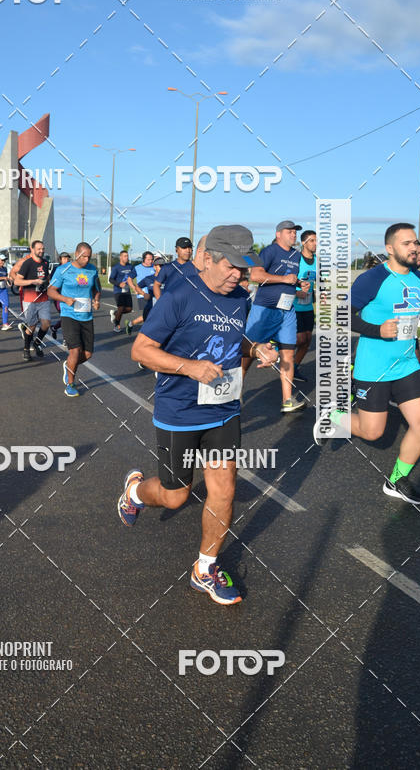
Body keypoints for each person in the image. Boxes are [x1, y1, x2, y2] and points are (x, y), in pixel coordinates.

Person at [119, 225, 277, 605]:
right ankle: (135, 492)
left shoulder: (239, 298)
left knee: (224, 490)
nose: (238, 275)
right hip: (180, 413)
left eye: (243, 268)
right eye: (231, 266)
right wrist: (189, 367)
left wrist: (255, 349)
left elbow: (235, 337)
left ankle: (204, 569)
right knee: (176, 497)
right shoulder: (178, 297)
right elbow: (141, 350)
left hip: (224, 410)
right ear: (206, 259)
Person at [317, 223, 420, 504]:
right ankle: (333, 416)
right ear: (390, 248)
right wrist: (378, 330)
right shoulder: (373, 279)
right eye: (407, 243)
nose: (415, 248)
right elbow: (340, 314)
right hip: (374, 367)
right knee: (373, 432)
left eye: (416, 242)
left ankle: (396, 480)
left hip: (407, 365)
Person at [242, 221, 310, 412]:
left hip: (287, 310)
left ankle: (287, 400)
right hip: (265, 309)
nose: (293, 235)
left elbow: (289, 279)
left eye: (295, 232)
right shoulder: (269, 251)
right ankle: (235, 391)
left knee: (288, 353)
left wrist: (299, 284)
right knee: (247, 352)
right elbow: (256, 276)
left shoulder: (296, 255)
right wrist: (284, 279)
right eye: (289, 232)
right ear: (278, 234)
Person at [47, 242, 101, 396]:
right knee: (75, 351)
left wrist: (96, 300)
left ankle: (69, 365)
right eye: (83, 256)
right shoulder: (63, 270)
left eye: (89, 257)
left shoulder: (92, 269)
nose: (86, 259)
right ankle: (70, 384)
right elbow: (50, 291)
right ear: (76, 254)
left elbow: (96, 289)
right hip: (69, 314)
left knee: (88, 354)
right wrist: (64, 299)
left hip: (86, 315)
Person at [11, 240, 51, 362]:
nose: (41, 251)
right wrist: (33, 282)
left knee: (46, 324)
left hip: (43, 298)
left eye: (43, 249)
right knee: (32, 326)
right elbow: (17, 281)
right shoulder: (27, 263)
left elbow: (47, 277)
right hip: (30, 299)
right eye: (39, 249)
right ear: (32, 249)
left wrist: (47, 283)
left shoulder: (45, 262)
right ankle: (26, 349)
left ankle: (37, 343)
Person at [293, 230, 317, 382]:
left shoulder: (317, 260)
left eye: (316, 240)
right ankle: (277, 345)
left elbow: (320, 280)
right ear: (303, 242)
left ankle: (294, 368)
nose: (315, 244)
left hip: (308, 306)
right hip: (294, 305)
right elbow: (287, 279)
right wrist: (296, 292)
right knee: (300, 338)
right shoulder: (296, 259)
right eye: (312, 240)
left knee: (307, 340)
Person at [153, 236, 194, 300]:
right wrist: (160, 302)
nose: (188, 250)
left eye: (190, 247)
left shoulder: (196, 268)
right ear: (176, 250)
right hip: (171, 304)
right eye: (184, 248)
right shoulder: (167, 267)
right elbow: (156, 284)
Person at [125, 251, 154, 334]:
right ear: (143, 259)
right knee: (149, 316)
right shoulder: (137, 268)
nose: (151, 261)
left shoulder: (154, 267)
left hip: (153, 295)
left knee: (149, 316)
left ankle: (131, 324)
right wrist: (135, 288)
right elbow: (129, 279)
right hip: (142, 295)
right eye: (148, 259)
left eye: (152, 259)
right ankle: (147, 335)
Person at [109, 251, 133, 331]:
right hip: (118, 291)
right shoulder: (116, 267)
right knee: (121, 308)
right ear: (121, 257)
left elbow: (133, 275)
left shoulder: (130, 266)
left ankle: (115, 313)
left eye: (127, 256)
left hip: (127, 290)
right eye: (125, 256)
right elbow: (111, 279)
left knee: (129, 309)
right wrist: (119, 284)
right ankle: (116, 325)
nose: (127, 257)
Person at [50, 252, 71, 338]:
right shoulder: (57, 269)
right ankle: (66, 338)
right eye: (64, 258)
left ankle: (54, 328)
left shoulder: (71, 269)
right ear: (60, 259)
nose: (66, 260)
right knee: (65, 317)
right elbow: (51, 282)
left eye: (68, 258)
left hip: (69, 296)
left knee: (68, 318)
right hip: (58, 297)